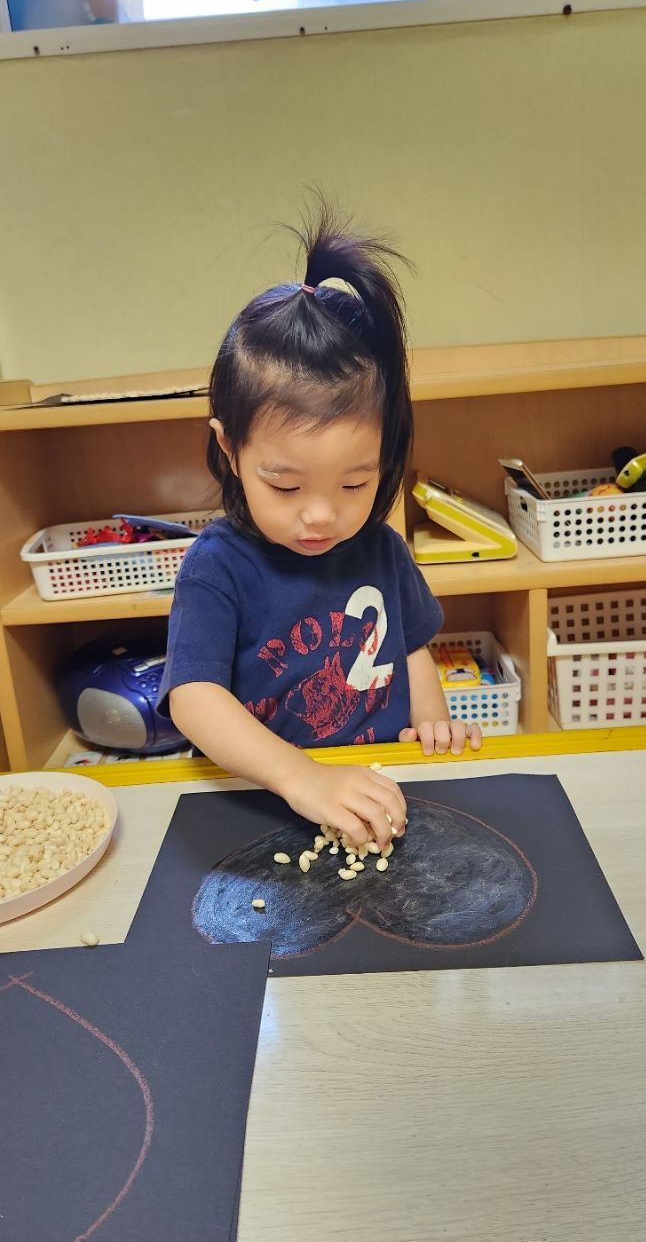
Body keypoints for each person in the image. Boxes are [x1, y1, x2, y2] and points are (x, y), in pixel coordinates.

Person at [161, 203, 482, 852]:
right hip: (262, 801)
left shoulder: (381, 550)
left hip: (377, 798)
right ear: (230, 450)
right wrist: (301, 777)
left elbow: (411, 649)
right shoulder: (217, 565)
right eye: (286, 485)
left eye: (354, 484)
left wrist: (432, 723)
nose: (320, 514)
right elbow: (194, 697)